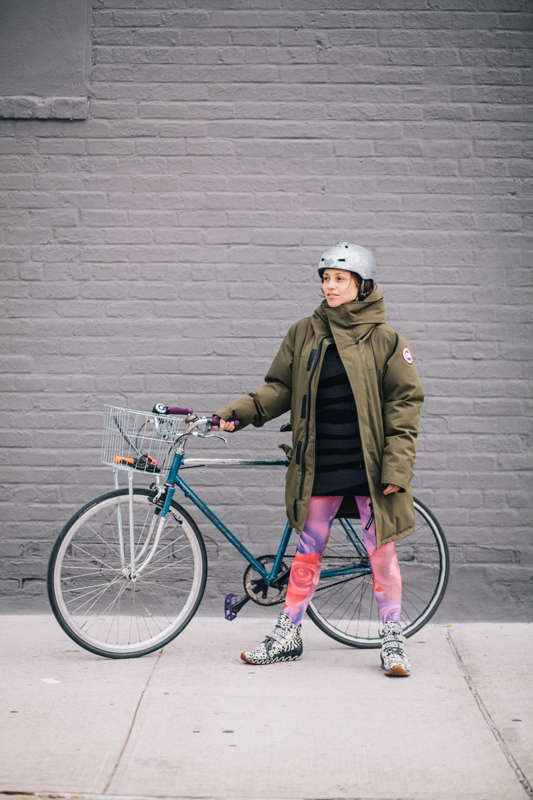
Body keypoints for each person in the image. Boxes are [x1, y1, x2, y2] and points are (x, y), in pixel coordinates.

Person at [214, 242, 424, 677]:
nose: (330, 286)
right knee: (308, 552)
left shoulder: (387, 340)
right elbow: (279, 390)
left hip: (368, 467)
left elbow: (404, 406)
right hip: (320, 463)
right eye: (326, 278)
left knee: (380, 553)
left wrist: (397, 467)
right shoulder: (304, 333)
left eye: (340, 279)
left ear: (362, 286)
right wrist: (239, 413)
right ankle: (288, 634)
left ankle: (392, 639)